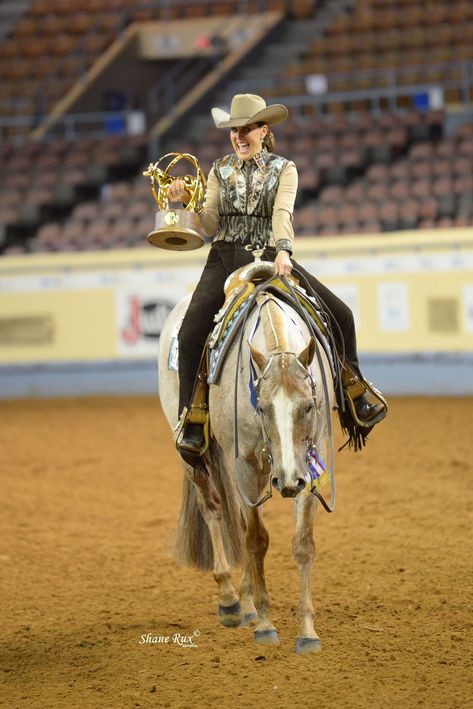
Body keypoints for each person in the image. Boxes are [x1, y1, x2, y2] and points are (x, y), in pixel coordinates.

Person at [167, 94, 387, 458]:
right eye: (234, 130)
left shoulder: (285, 169)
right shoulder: (219, 169)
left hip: (273, 255)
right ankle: (192, 416)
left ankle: (353, 390)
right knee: (191, 332)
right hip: (225, 257)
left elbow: (282, 211)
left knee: (341, 314)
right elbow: (208, 224)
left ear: (263, 130)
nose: (239, 136)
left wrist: (284, 249)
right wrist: (184, 201)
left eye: (247, 129)